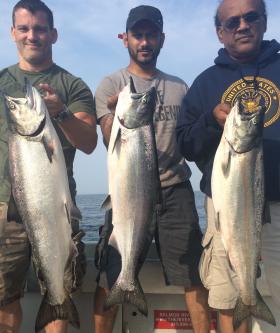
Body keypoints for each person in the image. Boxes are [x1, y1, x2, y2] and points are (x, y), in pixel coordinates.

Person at [93, 5, 210, 333]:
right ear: (126, 39)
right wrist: (115, 117)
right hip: (128, 191)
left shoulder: (179, 86)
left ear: (161, 39)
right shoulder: (110, 84)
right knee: (110, 274)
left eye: (151, 35)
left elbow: (189, 140)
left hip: (176, 192)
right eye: (138, 35)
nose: (144, 42)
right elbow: (107, 140)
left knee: (193, 276)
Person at [176, 0, 280, 332]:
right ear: (220, 33)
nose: (243, 26)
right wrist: (210, 122)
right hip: (225, 209)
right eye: (232, 22)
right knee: (226, 298)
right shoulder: (205, 83)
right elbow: (185, 144)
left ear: (264, 22)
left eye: (251, 18)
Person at [0, 0, 97, 332]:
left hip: (58, 209)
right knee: (3, 300)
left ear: (53, 34)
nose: (32, 35)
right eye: (24, 28)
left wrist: (61, 112)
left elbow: (88, 143)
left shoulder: (73, 85)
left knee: (59, 290)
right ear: (13, 32)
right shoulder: (1, 82)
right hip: (4, 211)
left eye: (40, 28)